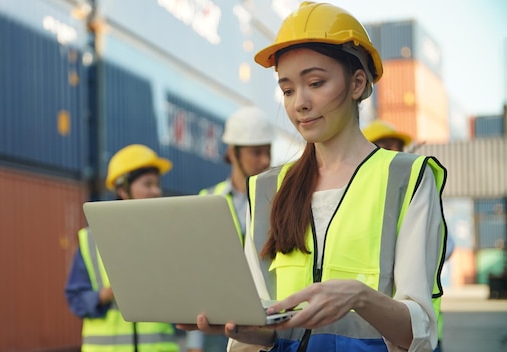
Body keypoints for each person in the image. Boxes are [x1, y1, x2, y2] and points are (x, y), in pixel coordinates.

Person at [178, 2, 447, 352]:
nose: (299, 103)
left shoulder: (406, 178)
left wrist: (360, 297)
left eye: (315, 83)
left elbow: (420, 333)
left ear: (357, 83)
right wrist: (238, 327)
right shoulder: (267, 189)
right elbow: (268, 328)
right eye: (287, 90)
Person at [65, 144, 180, 352]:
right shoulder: (91, 239)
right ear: (122, 189)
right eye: (148, 184)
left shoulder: (168, 237)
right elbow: (76, 300)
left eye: (157, 184)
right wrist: (107, 294)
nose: (156, 191)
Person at [186, 107, 275, 352]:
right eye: (256, 152)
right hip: (218, 323)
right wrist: (196, 342)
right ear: (232, 152)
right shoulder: (207, 200)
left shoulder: (279, 201)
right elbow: (199, 270)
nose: (266, 160)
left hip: (267, 322)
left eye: (268, 151)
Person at [363, 119, 454, 351]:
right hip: (374, 334)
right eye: (384, 146)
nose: (393, 153)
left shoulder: (414, 187)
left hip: (422, 331)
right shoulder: (362, 200)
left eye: (396, 146)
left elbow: (447, 246)